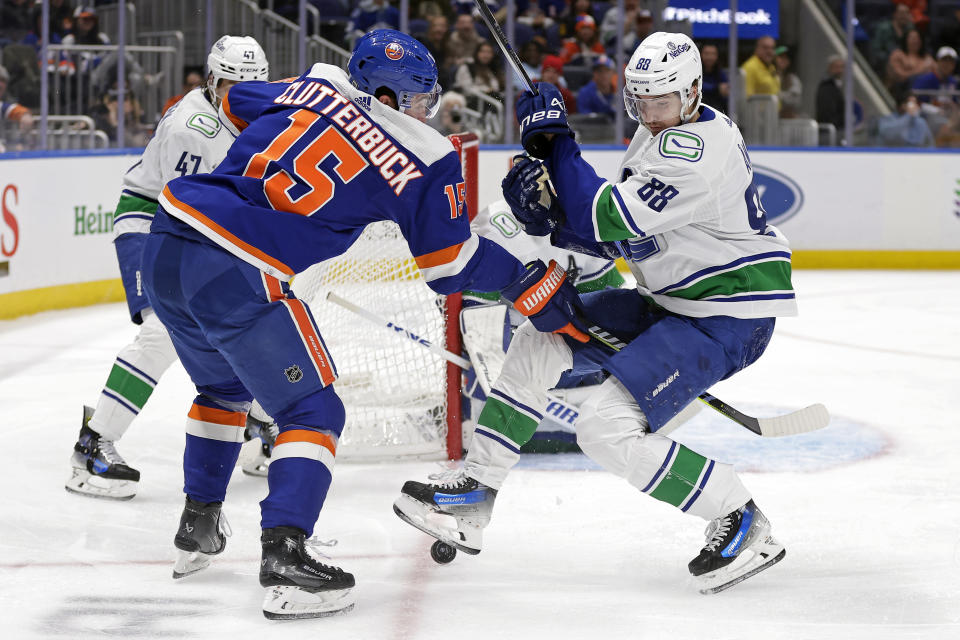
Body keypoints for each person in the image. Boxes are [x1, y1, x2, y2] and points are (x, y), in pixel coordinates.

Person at [139, 29, 586, 619]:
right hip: (237, 267)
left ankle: (198, 525)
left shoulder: (317, 81)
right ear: (398, 95)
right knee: (313, 411)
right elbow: (450, 265)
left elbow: (231, 101)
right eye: (422, 96)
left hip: (168, 240)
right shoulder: (426, 153)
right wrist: (527, 283)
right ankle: (287, 557)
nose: (427, 108)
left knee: (223, 389)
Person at [395, 31, 797, 595]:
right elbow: (624, 237)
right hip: (672, 301)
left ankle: (741, 517)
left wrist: (559, 144)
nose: (649, 114)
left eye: (659, 101)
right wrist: (548, 219)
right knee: (539, 340)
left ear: (693, 92)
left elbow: (611, 219)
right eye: (639, 101)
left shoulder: (698, 154)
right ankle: (474, 494)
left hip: (726, 314)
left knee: (605, 428)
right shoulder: (662, 134)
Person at [64, 36, 270, 502]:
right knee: (161, 333)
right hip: (154, 227)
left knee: (246, 325)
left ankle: (260, 424)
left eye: (253, 86)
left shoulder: (256, 117)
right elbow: (185, 212)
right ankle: (92, 446)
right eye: (234, 85)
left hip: (201, 233)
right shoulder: (191, 129)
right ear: (214, 81)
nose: (244, 96)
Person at [869, 3, 913, 75]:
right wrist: (891, 59)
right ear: (895, 14)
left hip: (907, 64)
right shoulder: (883, 29)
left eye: (906, 13)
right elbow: (876, 50)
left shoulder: (910, 29)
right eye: (901, 13)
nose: (904, 16)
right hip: (887, 64)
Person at [698, 43, 729, 111]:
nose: (710, 57)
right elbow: (697, 87)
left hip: (717, 111)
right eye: (706, 53)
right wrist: (716, 89)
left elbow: (725, 91)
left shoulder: (720, 73)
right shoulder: (695, 71)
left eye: (713, 54)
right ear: (700, 54)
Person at [775, 46, 803, 118]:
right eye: (781, 57)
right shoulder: (767, 76)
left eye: (786, 58)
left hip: (787, 118)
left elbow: (795, 101)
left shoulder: (792, 78)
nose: (784, 60)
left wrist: (778, 95)